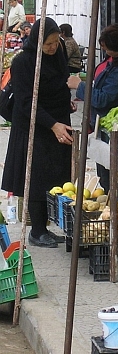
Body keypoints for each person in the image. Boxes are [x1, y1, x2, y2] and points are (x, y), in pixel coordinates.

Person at [2, 17, 73, 248]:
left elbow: (59, 84)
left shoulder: (59, 53)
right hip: (34, 124)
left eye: (55, 42)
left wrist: (67, 103)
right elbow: (25, 101)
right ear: (36, 41)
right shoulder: (23, 62)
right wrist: (52, 124)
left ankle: (48, 226)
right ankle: (37, 230)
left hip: (59, 121)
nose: (53, 47)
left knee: (57, 175)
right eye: (48, 43)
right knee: (35, 176)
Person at [67, 23, 118, 194]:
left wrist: (80, 86)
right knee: (107, 176)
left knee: (113, 177)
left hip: (114, 128)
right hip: (104, 125)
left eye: (106, 48)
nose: (105, 51)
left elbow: (103, 99)